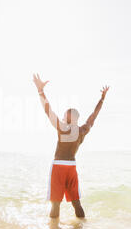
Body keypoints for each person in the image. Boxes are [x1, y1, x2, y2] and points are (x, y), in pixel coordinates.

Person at [33, 74, 109, 218]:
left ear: (68, 118)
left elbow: (48, 110)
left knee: (55, 204)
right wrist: (102, 98)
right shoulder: (82, 130)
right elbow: (94, 115)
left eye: (64, 115)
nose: (62, 117)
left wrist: (40, 92)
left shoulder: (62, 127)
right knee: (77, 203)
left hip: (59, 166)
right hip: (71, 167)